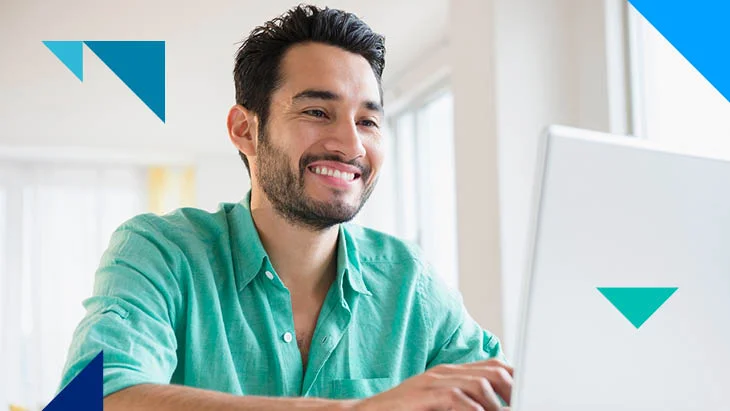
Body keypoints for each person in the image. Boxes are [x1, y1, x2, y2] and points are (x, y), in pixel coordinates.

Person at [59, 5, 514, 410]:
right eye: (317, 112)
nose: (351, 144)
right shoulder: (159, 252)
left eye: (368, 121)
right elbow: (94, 398)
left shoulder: (409, 282)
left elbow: (512, 391)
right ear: (245, 130)